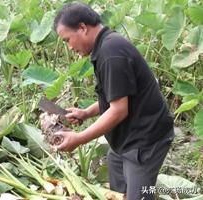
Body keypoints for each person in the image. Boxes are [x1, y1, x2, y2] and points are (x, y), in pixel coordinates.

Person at [54, 2, 174, 200]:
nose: (69, 47)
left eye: (67, 40)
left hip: (145, 139)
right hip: (125, 139)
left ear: (83, 28)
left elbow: (119, 110)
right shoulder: (106, 46)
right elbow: (116, 96)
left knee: (140, 196)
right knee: (117, 178)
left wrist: (80, 138)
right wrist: (86, 113)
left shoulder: (111, 52)